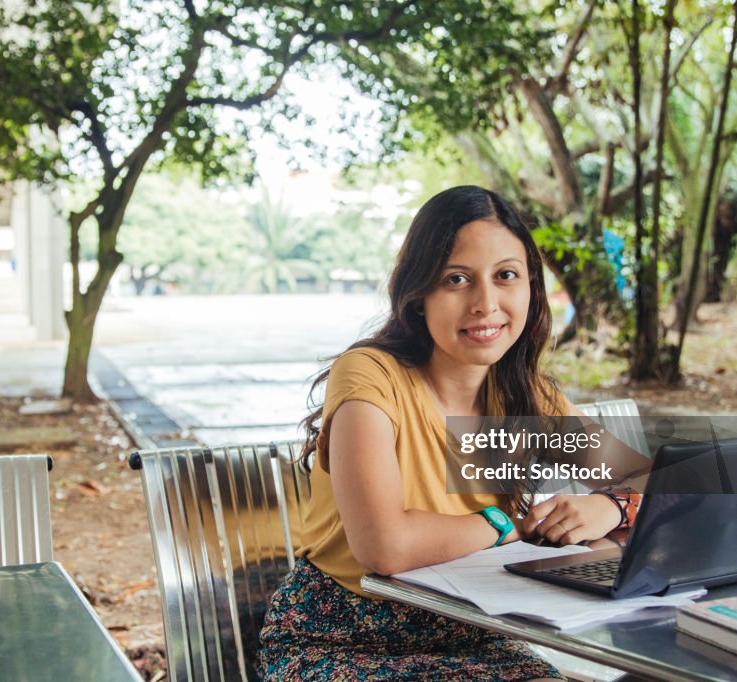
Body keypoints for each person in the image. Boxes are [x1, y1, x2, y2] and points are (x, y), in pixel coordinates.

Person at [257, 185, 638, 680]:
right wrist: (514, 526)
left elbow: (656, 481)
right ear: (419, 296)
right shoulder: (371, 375)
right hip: (340, 639)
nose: (486, 303)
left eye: (506, 276)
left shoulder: (525, 395)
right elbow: (385, 546)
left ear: (530, 288)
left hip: (478, 634)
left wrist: (611, 505)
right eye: (457, 279)